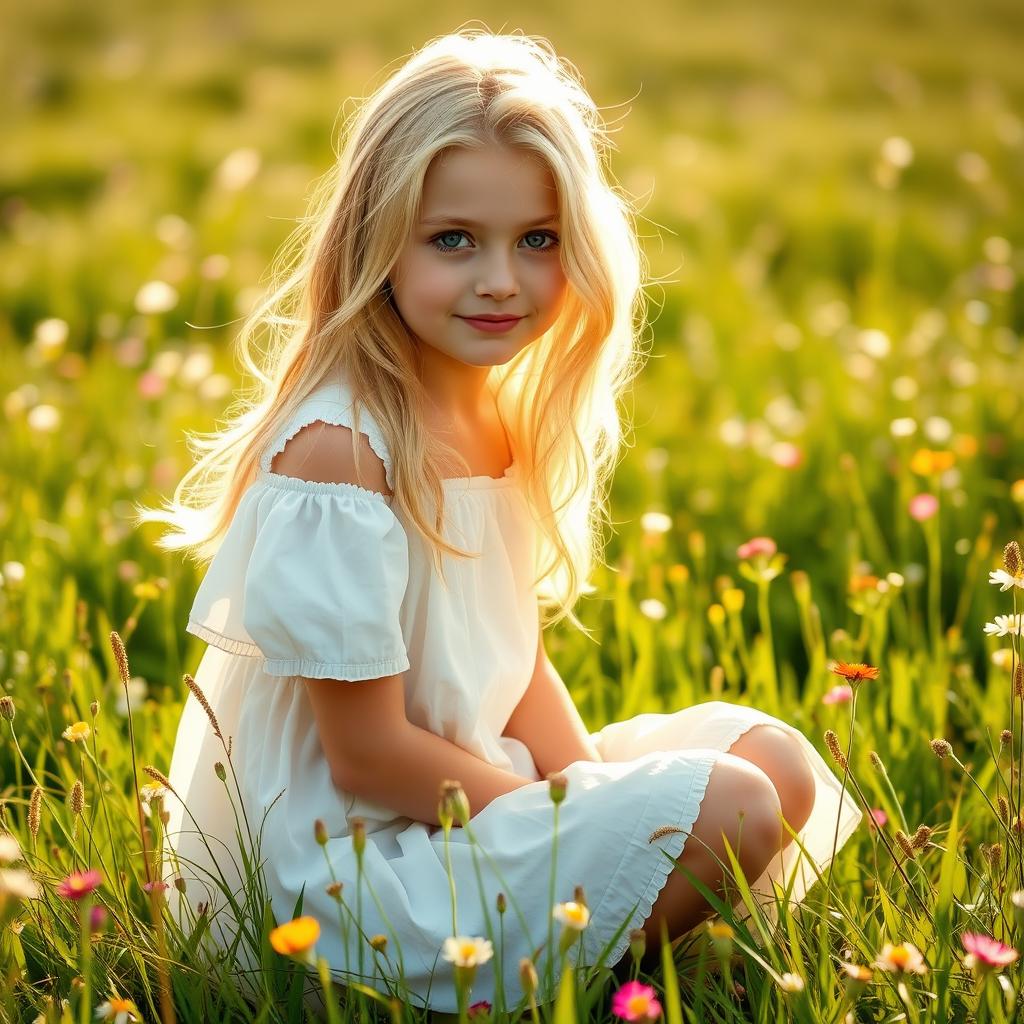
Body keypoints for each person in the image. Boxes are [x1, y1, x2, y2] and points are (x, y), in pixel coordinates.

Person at [135, 28, 860, 1015]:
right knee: (728, 806)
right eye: (452, 240)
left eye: (537, 240)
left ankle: (605, 952)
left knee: (767, 762)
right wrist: (569, 823)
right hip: (343, 882)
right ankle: (588, 976)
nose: (499, 281)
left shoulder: (490, 413)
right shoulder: (343, 450)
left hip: (448, 810)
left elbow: (514, 671)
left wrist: (590, 794)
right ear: (374, 238)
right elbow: (366, 755)